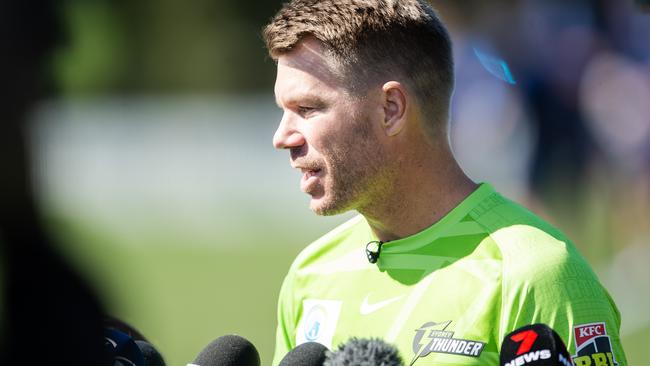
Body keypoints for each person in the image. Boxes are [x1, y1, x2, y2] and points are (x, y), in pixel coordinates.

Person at [262, 1, 627, 365]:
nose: (282, 137)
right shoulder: (310, 275)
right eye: (284, 110)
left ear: (391, 109)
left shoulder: (536, 273)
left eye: (307, 109)